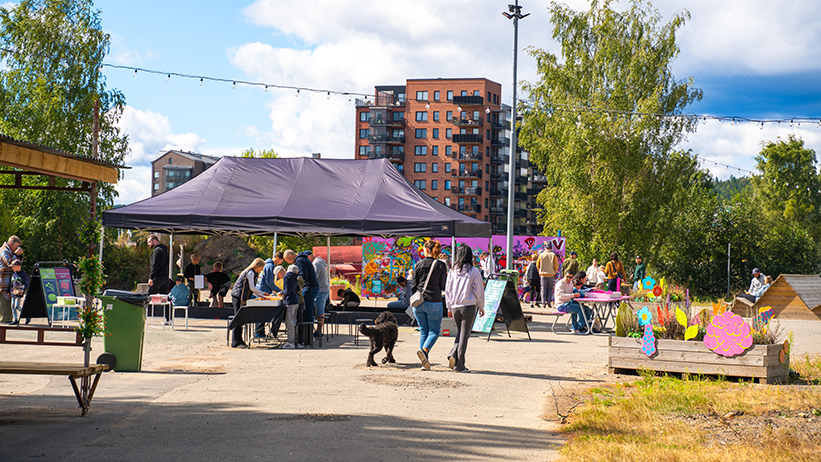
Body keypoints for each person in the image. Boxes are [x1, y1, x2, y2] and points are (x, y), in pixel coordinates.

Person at [445, 245, 484, 373]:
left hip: (455, 306)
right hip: (469, 306)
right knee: (465, 335)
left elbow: (448, 290)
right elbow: (479, 290)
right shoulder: (474, 271)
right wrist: (481, 305)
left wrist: (449, 307)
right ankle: (460, 364)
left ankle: (453, 354)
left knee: (461, 333)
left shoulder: (452, 271)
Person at [412, 239, 447, 370]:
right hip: (434, 301)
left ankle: (424, 363)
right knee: (434, 331)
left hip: (419, 302)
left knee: (424, 331)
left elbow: (414, 286)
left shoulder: (419, 264)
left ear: (426, 250)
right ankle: (425, 351)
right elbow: (443, 285)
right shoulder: (441, 265)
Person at [229, 258, 269, 348]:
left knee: (241, 319)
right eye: (262, 268)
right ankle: (235, 341)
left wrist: (263, 296)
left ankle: (239, 340)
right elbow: (252, 288)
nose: (262, 270)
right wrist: (262, 294)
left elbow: (253, 291)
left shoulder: (252, 273)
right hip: (238, 296)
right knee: (238, 318)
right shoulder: (250, 272)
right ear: (258, 266)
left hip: (241, 296)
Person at [254, 256, 283, 337]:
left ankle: (259, 331)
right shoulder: (270, 266)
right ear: (277, 258)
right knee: (262, 313)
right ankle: (259, 332)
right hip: (263, 292)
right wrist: (280, 291)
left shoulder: (267, 264)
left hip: (261, 290)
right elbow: (269, 282)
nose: (280, 263)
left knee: (261, 312)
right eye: (281, 261)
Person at [294, 250, 319, 343]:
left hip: (309, 288)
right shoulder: (303, 259)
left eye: (287, 260)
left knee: (306, 312)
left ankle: (307, 337)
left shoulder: (300, 260)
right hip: (313, 287)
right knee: (308, 312)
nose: (288, 262)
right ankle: (308, 336)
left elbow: (303, 276)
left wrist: (296, 288)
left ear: (290, 257)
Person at [554, 270, 590, 334]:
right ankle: (579, 327)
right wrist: (573, 295)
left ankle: (585, 326)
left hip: (568, 303)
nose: (569, 279)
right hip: (561, 305)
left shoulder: (570, 283)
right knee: (580, 308)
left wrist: (578, 295)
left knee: (585, 308)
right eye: (567, 277)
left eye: (571, 277)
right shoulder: (560, 284)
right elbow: (560, 296)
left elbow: (572, 294)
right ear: (564, 275)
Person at [0, 236, 23, 324]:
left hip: (10, 280)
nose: (17, 248)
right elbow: (9, 263)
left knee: (9, 299)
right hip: (3, 280)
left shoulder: (11, 251)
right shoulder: (4, 251)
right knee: (5, 298)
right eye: (16, 246)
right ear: (10, 244)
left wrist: (19, 255)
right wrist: (16, 255)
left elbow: (18, 263)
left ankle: (8, 318)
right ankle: (5, 320)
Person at [310, 252, 330, 338]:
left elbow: (314, 277)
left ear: (309, 257)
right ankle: (318, 331)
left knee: (320, 312)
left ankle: (319, 332)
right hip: (324, 289)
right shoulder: (319, 262)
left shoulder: (316, 263)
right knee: (320, 312)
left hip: (320, 290)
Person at [280, 264, 301, 349]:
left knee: (290, 322)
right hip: (296, 300)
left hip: (290, 301)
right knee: (294, 321)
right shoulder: (296, 277)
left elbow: (287, 290)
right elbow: (298, 289)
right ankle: (295, 341)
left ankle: (290, 342)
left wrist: (282, 293)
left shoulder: (287, 276)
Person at [147, 234, 171, 301]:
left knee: (150, 298)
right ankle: (165, 311)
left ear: (155, 240)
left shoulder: (156, 251)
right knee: (164, 299)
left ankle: (149, 311)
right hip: (165, 278)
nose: (148, 244)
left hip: (157, 278)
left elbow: (154, 265)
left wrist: (151, 277)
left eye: (149, 242)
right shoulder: (165, 251)